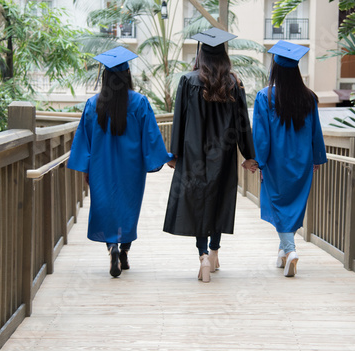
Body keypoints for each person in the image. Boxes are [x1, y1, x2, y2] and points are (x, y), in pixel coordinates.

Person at [67, 46, 173, 278]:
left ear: (105, 77)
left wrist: (86, 168)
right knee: (127, 208)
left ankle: (112, 247)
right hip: (131, 169)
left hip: (100, 168)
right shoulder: (139, 102)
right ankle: (124, 251)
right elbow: (151, 136)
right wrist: (162, 158)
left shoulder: (93, 104)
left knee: (105, 206)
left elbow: (84, 140)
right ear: (127, 75)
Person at [163, 28, 257, 283]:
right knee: (219, 199)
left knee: (198, 201)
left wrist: (175, 154)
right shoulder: (234, 84)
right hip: (223, 155)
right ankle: (215, 252)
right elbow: (242, 124)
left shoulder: (188, 81)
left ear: (200, 53)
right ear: (223, 55)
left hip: (194, 154)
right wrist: (248, 154)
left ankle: (203, 254)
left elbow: (179, 120)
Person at [252, 41, 327, 278]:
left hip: (276, 163)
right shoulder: (309, 98)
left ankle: (292, 251)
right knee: (292, 207)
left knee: (278, 205)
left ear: (275, 69)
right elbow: (316, 132)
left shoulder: (265, 97)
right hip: (302, 163)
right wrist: (316, 158)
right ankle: (283, 252)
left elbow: (261, 136)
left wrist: (259, 161)